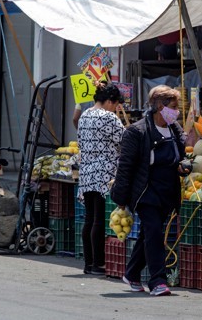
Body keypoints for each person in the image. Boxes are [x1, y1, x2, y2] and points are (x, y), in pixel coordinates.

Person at [110, 85, 189, 296]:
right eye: (173, 107)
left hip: (167, 190)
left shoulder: (175, 129)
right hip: (146, 191)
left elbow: (181, 156)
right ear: (160, 106)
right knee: (154, 231)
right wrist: (121, 198)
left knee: (148, 234)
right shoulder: (137, 132)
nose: (177, 111)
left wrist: (184, 166)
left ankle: (132, 273)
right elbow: (125, 167)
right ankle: (158, 281)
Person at [77, 81, 125, 275]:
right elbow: (125, 141)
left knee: (89, 218)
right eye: (115, 104)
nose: (116, 108)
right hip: (104, 173)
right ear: (109, 101)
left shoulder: (84, 116)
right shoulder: (109, 118)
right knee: (99, 219)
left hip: (87, 172)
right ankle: (99, 264)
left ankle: (89, 263)